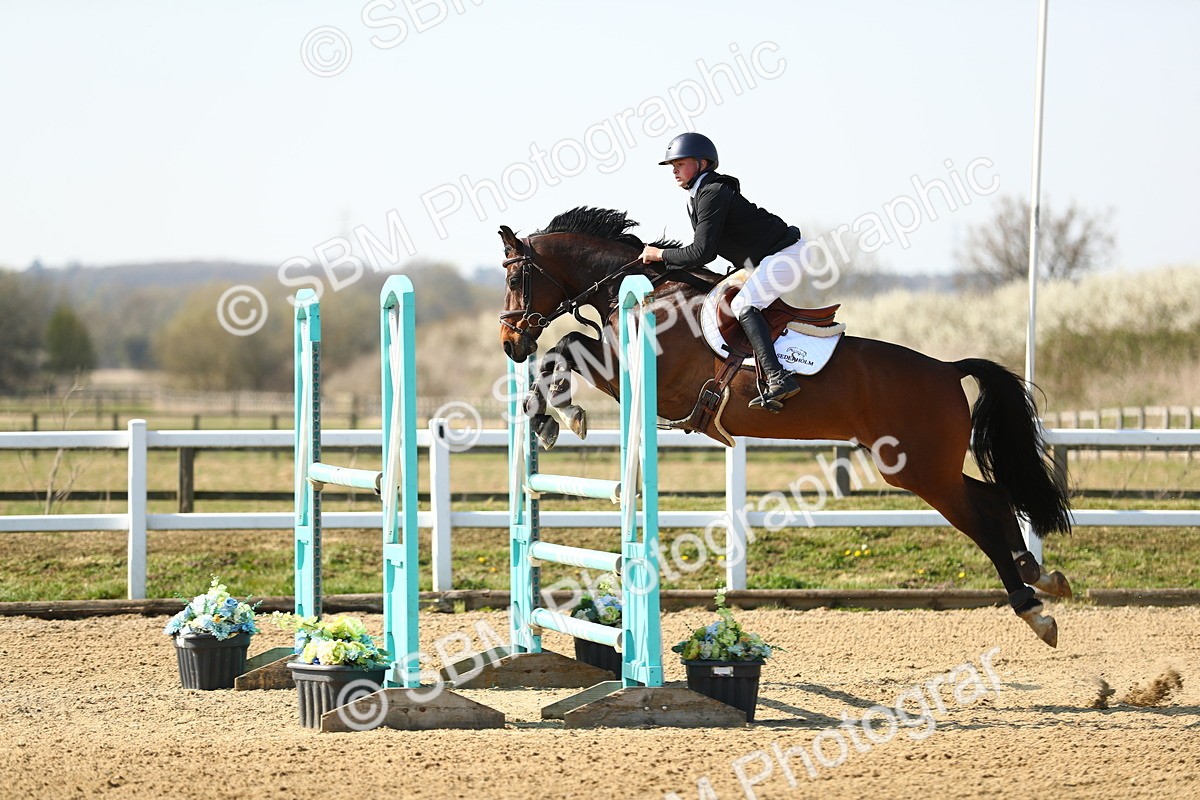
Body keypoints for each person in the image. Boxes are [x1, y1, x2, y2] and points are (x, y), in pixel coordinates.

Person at [640, 132, 805, 411]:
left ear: (703, 164)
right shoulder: (700, 194)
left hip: (785, 257)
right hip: (763, 260)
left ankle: (778, 378)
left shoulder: (712, 192)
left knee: (743, 304)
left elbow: (702, 253)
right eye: (672, 166)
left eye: (680, 164)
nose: (675, 171)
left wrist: (660, 254)